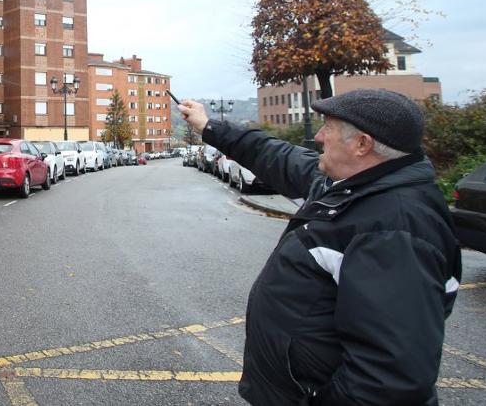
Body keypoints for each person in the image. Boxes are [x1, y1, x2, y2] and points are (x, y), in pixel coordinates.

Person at [178, 89, 461, 406]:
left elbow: (388, 379)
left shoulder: (394, 229)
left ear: (362, 144)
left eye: (328, 127)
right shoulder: (352, 185)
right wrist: (209, 126)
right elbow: (278, 156)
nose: (319, 137)